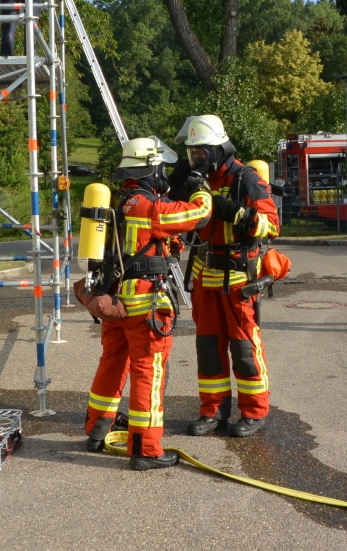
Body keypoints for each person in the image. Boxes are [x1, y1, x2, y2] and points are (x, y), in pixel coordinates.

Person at [81, 137, 212, 470]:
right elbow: (199, 215)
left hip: (116, 303)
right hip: (145, 306)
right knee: (148, 373)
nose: (164, 175)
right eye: (162, 168)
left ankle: (97, 431)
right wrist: (201, 188)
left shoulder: (122, 201)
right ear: (151, 168)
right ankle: (145, 449)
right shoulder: (148, 207)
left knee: (111, 364)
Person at [174, 114, 280, 438]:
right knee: (208, 350)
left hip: (239, 280)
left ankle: (254, 412)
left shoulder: (244, 178)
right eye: (193, 153)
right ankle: (213, 412)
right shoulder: (196, 179)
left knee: (245, 349)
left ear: (219, 149)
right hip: (206, 276)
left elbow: (273, 225)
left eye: (202, 152)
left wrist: (234, 212)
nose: (197, 159)